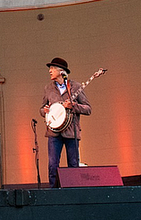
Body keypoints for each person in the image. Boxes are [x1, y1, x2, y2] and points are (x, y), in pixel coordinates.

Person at [39, 57, 91, 188]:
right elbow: (42, 109)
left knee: (73, 164)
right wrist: (45, 110)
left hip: (71, 132)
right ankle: (53, 193)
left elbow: (88, 109)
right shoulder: (48, 88)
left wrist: (73, 106)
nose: (50, 71)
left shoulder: (76, 87)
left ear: (61, 71)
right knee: (52, 166)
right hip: (54, 133)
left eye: (52, 68)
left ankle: (73, 192)